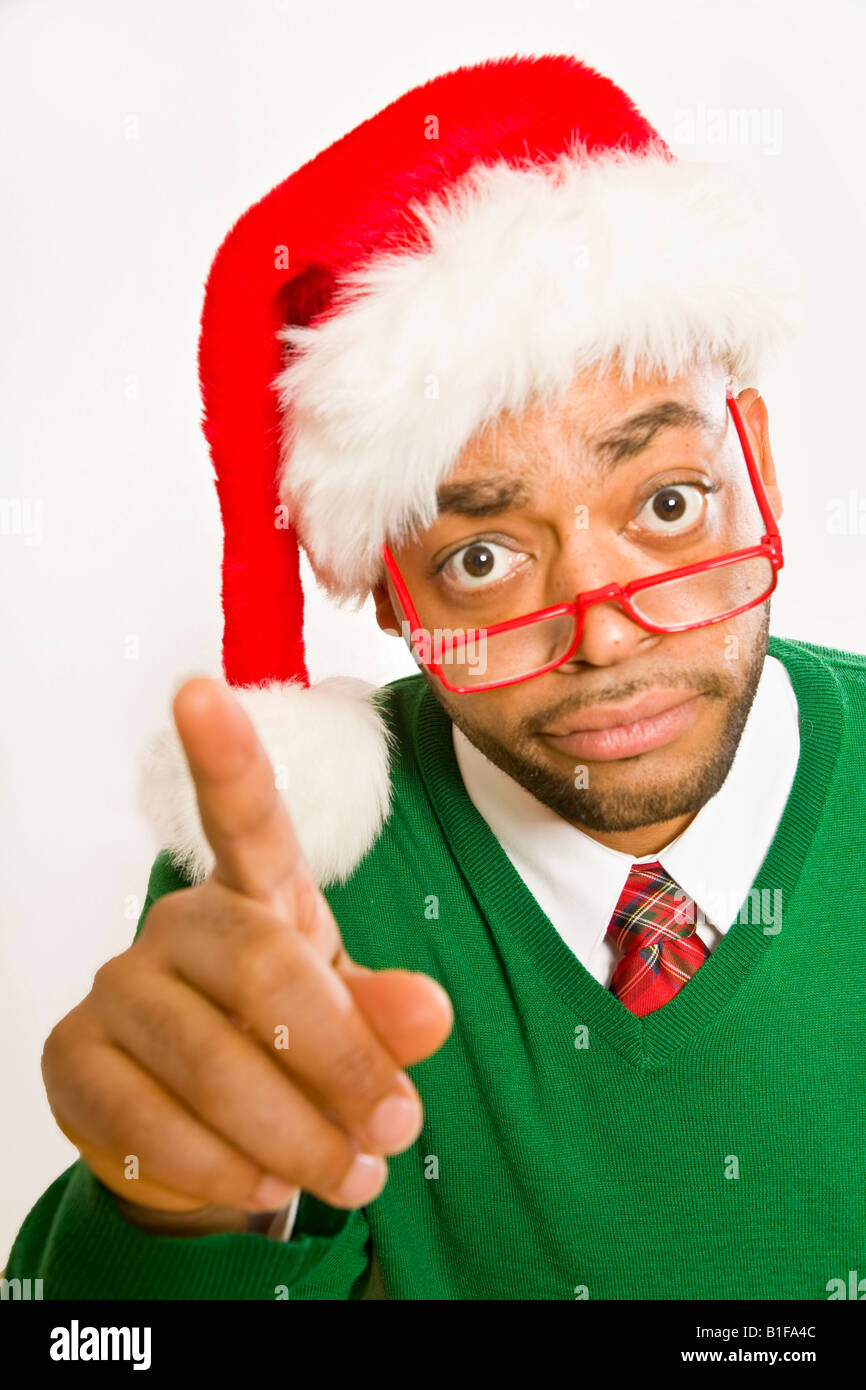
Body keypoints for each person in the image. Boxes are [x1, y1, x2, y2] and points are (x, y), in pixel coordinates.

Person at [6, 53, 865, 1302]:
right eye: (479, 556)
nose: (605, 637)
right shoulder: (299, 889)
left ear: (758, 473)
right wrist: (177, 1219)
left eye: (668, 503)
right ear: (390, 598)